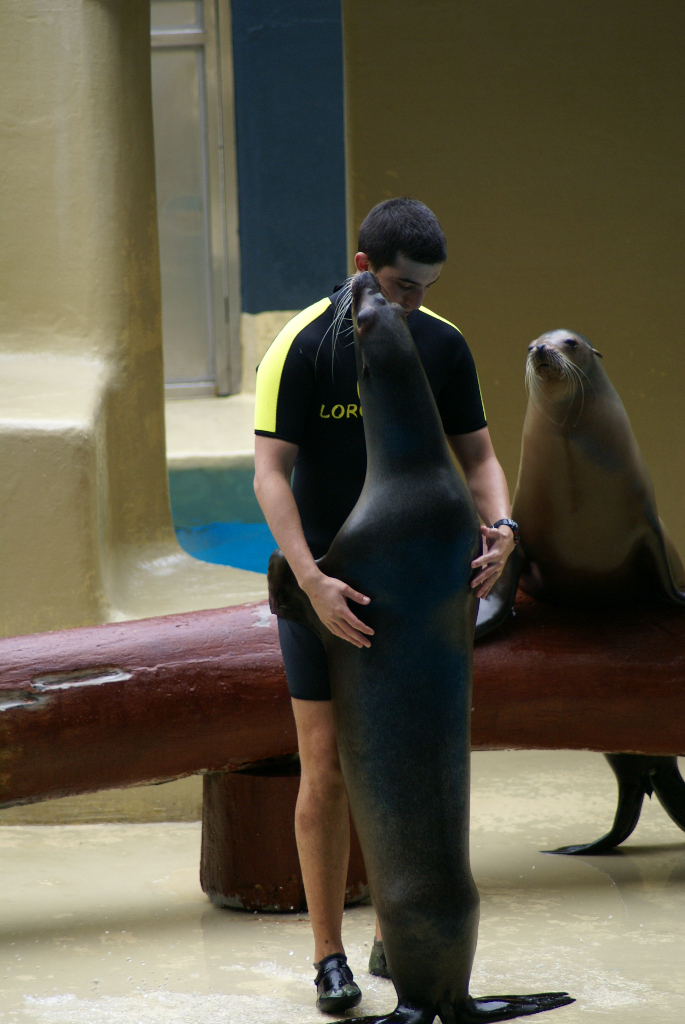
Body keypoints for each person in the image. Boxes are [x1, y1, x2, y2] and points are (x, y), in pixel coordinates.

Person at [253, 198, 517, 1014]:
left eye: (426, 288)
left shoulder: (440, 343)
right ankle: (329, 952)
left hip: (413, 590)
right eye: (401, 286)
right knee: (327, 765)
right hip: (325, 584)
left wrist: (503, 527)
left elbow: (478, 456)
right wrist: (312, 581)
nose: (411, 304)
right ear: (365, 268)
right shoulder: (302, 345)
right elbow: (270, 475)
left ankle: (393, 939)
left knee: (418, 766)